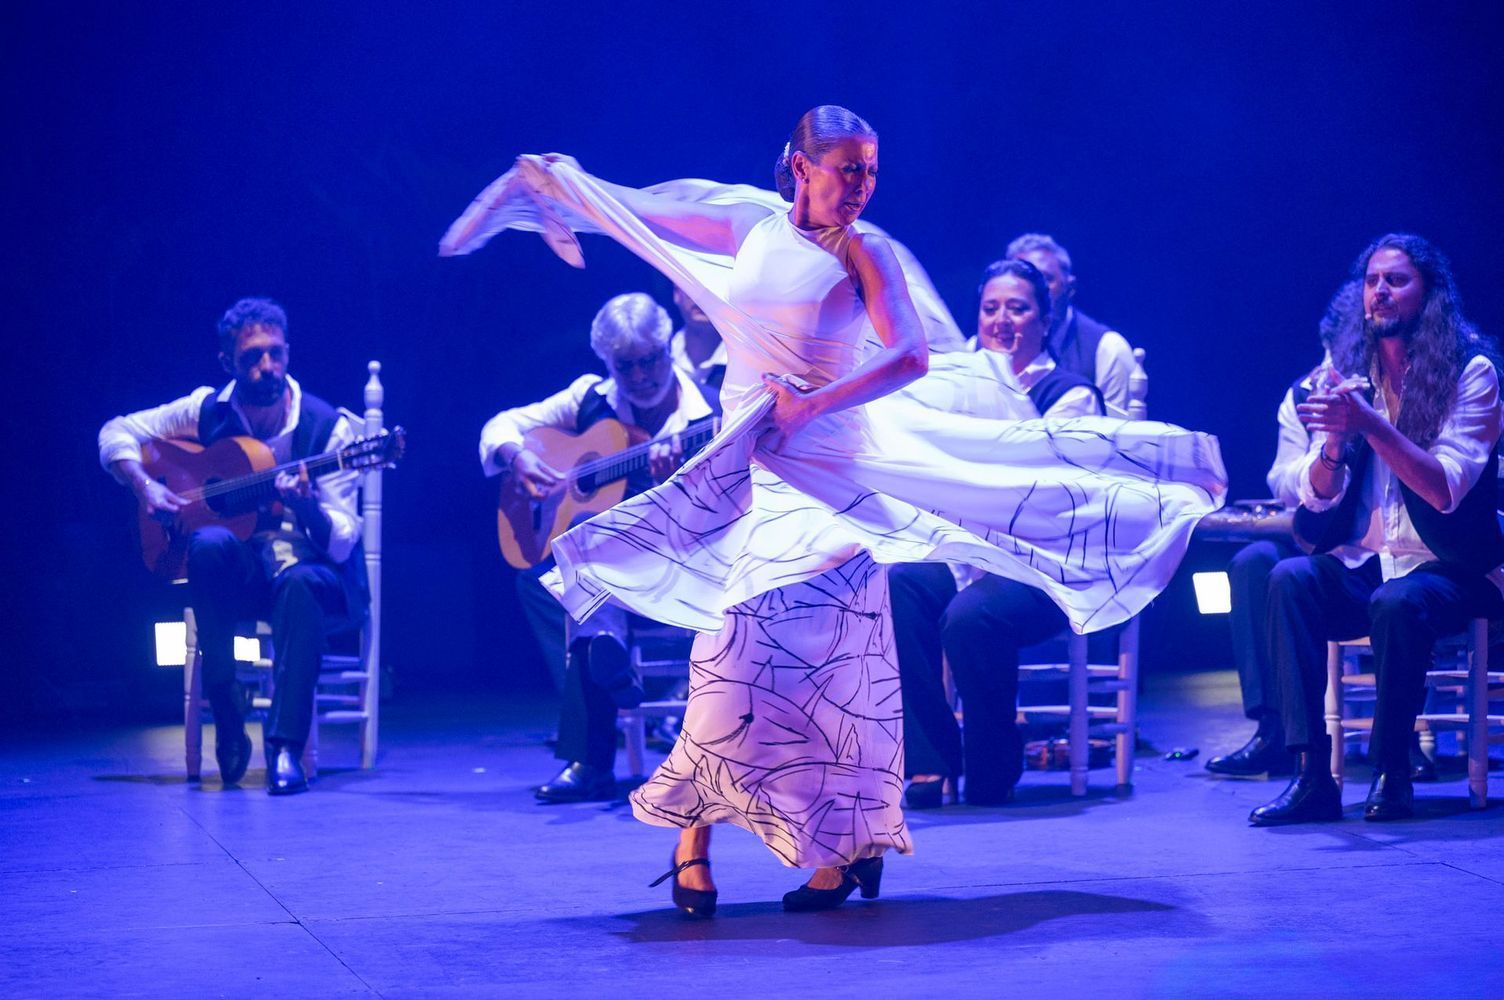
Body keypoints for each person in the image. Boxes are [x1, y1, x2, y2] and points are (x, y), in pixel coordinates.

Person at [441, 106, 1226, 915]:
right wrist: (558, 188)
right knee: (729, 649)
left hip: (829, 474)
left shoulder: (865, 250)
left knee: (833, 667)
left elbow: (910, 355)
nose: (862, 185)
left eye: (871, 170)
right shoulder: (749, 223)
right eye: (848, 168)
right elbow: (642, 214)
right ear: (800, 167)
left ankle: (846, 848)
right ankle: (696, 839)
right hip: (749, 471)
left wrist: (813, 404)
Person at [1249, 234, 1503, 826]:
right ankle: (1311, 776)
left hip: (1454, 565)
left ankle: (1392, 770)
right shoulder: (1349, 374)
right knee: (1289, 578)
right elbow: (1317, 495)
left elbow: (1445, 489)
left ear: (1429, 293)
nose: (1380, 291)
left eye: (1396, 280)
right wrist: (1335, 443)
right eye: (1371, 281)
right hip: (1371, 565)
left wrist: (1372, 424)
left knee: (1398, 600)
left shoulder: (1472, 372)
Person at [98, 298, 365, 796]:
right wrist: (145, 485)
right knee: (206, 544)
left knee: (301, 584)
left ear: (288, 353)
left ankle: (284, 749)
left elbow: (343, 542)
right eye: (252, 357)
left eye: (275, 353)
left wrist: (306, 507)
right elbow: (116, 431)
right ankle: (225, 705)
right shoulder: (207, 410)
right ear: (228, 362)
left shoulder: (329, 428)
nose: (267, 366)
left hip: (307, 571)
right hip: (240, 576)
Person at [480, 292, 716, 803]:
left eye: (651, 360)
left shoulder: (708, 415)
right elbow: (499, 427)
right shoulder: (589, 398)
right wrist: (518, 457)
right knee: (545, 580)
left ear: (666, 349)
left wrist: (676, 480)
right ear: (608, 362)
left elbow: (725, 508)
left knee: (586, 555)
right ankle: (609, 666)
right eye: (625, 365)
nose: (641, 376)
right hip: (612, 579)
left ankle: (590, 758)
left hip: (680, 566)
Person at [892, 258, 1104, 808]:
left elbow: (1054, 492)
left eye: (1018, 308)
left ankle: (991, 762)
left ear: (1045, 320)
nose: (1001, 320)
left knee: (970, 616)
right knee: (901, 583)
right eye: (990, 308)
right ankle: (928, 761)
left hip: (1039, 565)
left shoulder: (1069, 395)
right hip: (960, 550)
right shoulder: (947, 387)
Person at [1206, 282, 1360, 778]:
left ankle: (1404, 738)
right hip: (1317, 540)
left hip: (1371, 546)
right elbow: (1282, 476)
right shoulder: (1302, 395)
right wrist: (1322, 452)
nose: (1328, 370)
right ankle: (1273, 729)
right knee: (1253, 563)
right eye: (1328, 355)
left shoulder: (1389, 391)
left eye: (1341, 358)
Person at [1004, 233, 1136, 415]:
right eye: (1019, 281)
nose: (1032, 291)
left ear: (1070, 287)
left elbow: (1118, 430)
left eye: (1045, 279)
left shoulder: (1107, 349)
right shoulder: (980, 344)